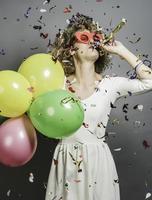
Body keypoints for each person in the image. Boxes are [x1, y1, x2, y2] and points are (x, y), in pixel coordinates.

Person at [45, 13, 152, 200]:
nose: (91, 42)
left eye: (96, 38)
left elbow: (149, 81)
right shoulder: (56, 84)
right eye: (84, 38)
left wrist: (122, 51)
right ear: (71, 49)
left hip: (98, 163)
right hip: (65, 161)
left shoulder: (110, 85)